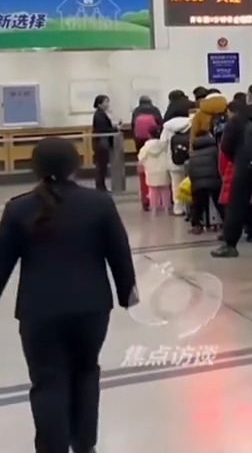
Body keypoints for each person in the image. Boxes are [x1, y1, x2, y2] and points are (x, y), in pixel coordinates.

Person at [0, 137, 137, 453]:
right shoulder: (99, 203)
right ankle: (85, 444)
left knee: (48, 381)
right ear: (76, 164)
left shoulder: (18, 208)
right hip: (91, 307)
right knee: (86, 374)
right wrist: (127, 294)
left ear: (34, 168)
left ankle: (52, 447)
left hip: (39, 310)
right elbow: (119, 252)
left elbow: (2, 261)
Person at [213, 83, 252, 259]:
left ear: (249, 96)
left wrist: (238, 159)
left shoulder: (238, 117)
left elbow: (226, 145)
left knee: (236, 206)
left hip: (243, 167)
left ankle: (230, 245)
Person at [185, 121, 223, 234]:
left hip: (197, 184)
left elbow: (190, 171)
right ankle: (226, 223)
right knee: (220, 204)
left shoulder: (192, 154)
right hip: (214, 181)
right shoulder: (215, 150)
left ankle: (196, 225)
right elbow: (219, 165)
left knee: (197, 205)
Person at [159, 111, 194, 220]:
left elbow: (162, 144)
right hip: (189, 160)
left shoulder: (168, 128)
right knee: (190, 184)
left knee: (176, 185)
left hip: (173, 161)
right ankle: (190, 208)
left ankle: (178, 208)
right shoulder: (190, 123)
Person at [137, 134, 174, 216]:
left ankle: (154, 208)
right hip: (163, 170)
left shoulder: (146, 147)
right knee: (165, 190)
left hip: (151, 171)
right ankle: (166, 207)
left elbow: (140, 158)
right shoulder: (164, 146)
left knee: (153, 190)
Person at [90, 95, 115, 191]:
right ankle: (100, 187)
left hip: (101, 142)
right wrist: (114, 129)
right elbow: (103, 129)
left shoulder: (101, 114)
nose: (107, 104)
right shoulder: (99, 115)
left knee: (102, 166)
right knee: (101, 166)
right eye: (106, 102)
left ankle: (101, 186)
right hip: (101, 143)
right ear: (99, 104)